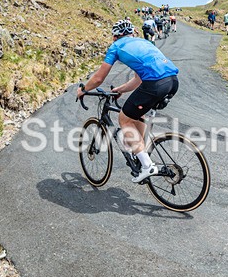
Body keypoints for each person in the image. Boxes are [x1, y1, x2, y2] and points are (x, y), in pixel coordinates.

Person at [76, 19, 179, 183]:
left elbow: (98, 78)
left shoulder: (116, 46)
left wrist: (83, 90)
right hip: (172, 81)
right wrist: (120, 90)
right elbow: (138, 80)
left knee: (124, 119)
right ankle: (141, 153)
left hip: (155, 83)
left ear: (115, 36)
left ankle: (147, 166)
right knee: (137, 115)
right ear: (132, 33)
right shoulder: (144, 42)